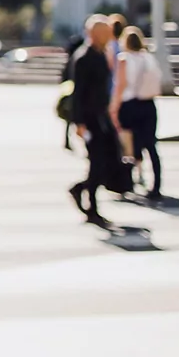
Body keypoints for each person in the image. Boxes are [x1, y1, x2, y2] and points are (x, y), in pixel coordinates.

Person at [69, 15, 118, 228]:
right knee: (96, 162)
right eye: (105, 33)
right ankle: (92, 206)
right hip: (90, 118)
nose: (109, 37)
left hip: (102, 116)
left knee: (105, 161)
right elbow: (78, 93)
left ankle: (83, 190)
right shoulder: (84, 57)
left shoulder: (100, 54)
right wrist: (79, 123)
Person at [112, 26, 163, 200]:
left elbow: (120, 85)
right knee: (150, 145)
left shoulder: (124, 59)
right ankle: (156, 185)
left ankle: (127, 182)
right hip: (148, 104)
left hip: (129, 104)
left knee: (128, 146)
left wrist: (113, 106)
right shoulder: (148, 58)